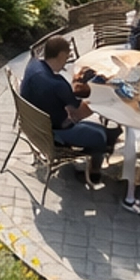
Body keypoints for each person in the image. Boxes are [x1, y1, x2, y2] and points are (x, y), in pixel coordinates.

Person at [20, 35, 117, 188]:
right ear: (60, 55)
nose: (67, 61)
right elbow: (79, 111)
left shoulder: (33, 65)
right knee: (99, 136)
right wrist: (93, 88)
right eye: (67, 57)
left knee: (105, 133)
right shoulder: (57, 84)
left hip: (33, 125)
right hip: (54, 134)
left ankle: (109, 139)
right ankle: (94, 173)